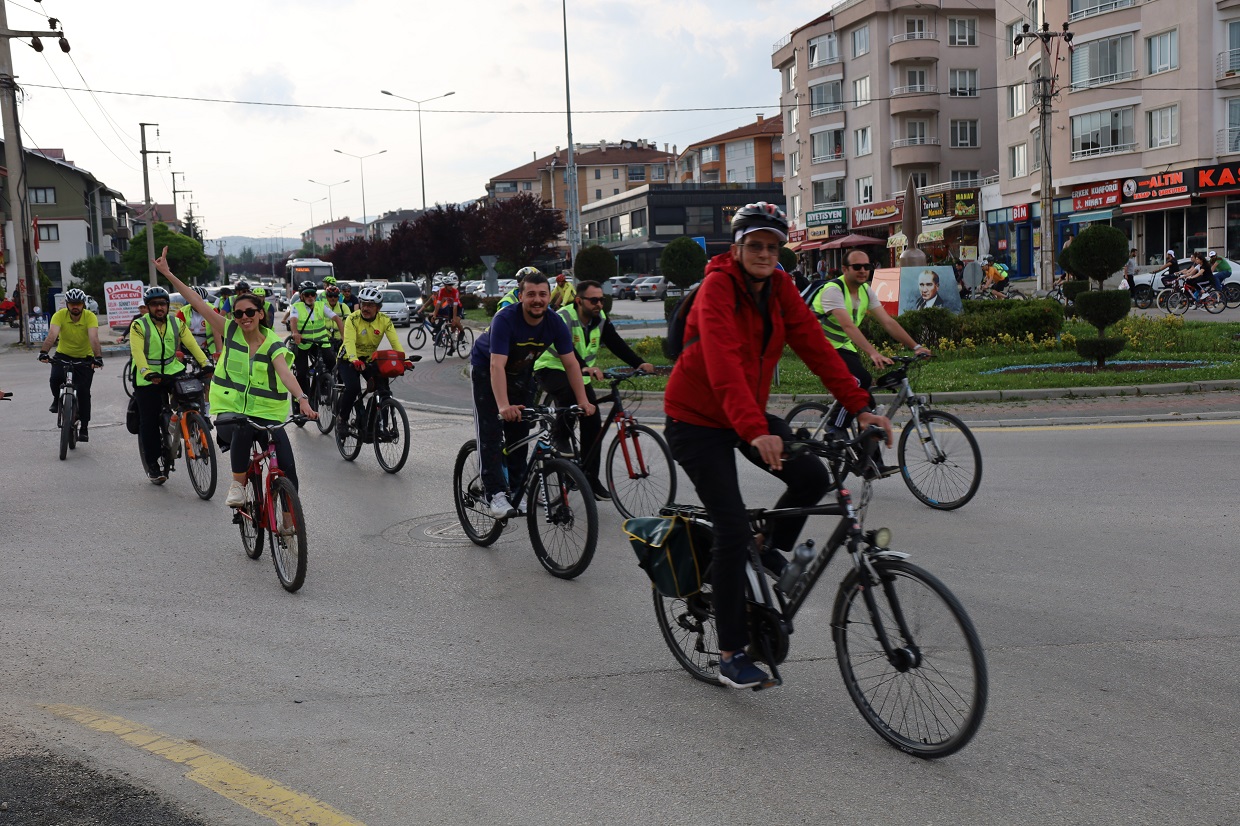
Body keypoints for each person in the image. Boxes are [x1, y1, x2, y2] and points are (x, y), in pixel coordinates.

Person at [665, 202, 892, 690]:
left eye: (773, 245)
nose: (765, 253)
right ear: (738, 247)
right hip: (697, 420)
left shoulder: (782, 287)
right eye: (756, 245)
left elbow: (815, 344)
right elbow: (723, 361)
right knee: (729, 528)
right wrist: (755, 429)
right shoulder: (717, 288)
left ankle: (767, 547)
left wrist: (859, 406)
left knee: (811, 475)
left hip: (744, 411)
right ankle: (730, 653)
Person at [153, 247, 315, 507]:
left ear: (260, 314)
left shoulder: (272, 344)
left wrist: (303, 399)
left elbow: (285, 374)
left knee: (287, 467)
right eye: (238, 314)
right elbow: (196, 301)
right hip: (232, 410)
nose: (244, 318)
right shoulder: (229, 330)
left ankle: (288, 520)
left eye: (250, 312)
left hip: (268, 414)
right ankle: (238, 485)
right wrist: (167, 274)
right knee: (241, 427)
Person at [470, 270, 595, 518]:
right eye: (531, 295)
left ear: (550, 297)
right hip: (487, 369)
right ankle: (494, 493)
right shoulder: (505, 319)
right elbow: (496, 365)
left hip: (522, 373)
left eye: (542, 295)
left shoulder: (553, 322)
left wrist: (583, 401)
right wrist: (503, 406)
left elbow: (571, 363)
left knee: (520, 433)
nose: (537, 300)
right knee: (492, 432)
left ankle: (517, 490)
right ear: (521, 296)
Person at [533, 280, 654, 499]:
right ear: (579, 301)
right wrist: (584, 367)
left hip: (580, 375)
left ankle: (590, 479)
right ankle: (559, 436)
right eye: (594, 300)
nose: (599, 304)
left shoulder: (600, 320)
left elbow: (616, 343)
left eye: (602, 300)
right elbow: (565, 347)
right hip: (551, 368)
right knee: (570, 396)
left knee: (592, 422)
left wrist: (639, 363)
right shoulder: (563, 316)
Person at [812, 247, 930, 468]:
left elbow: (888, 322)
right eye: (857, 267)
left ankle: (871, 463)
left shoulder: (866, 291)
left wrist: (916, 346)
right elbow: (847, 326)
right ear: (845, 269)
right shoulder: (833, 290)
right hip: (820, 346)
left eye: (866, 266)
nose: (863, 270)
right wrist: (872, 352)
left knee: (870, 403)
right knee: (858, 382)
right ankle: (834, 427)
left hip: (844, 346)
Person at [129, 285, 213, 483]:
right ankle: (153, 464)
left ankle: (191, 424)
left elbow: (192, 344)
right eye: (154, 304)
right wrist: (147, 372)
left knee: (192, 394)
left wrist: (206, 364)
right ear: (148, 307)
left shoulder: (176, 323)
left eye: (163, 304)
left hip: (172, 370)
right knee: (149, 421)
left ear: (168, 306)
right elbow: (138, 353)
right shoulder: (139, 326)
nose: (159, 308)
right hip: (147, 376)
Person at [336, 286, 408, 439]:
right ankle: (342, 419)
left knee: (384, 391)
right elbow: (349, 341)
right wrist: (353, 359)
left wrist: (404, 360)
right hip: (348, 358)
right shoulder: (353, 319)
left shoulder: (385, 321)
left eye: (370, 305)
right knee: (353, 388)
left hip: (368, 359)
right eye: (363, 304)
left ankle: (382, 427)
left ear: (378, 308)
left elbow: (395, 343)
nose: (365, 308)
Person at [38, 288, 103, 442]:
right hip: (63, 355)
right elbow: (52, 335)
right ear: (67, 304)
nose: (75, 307)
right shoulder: (59, 315)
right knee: (54, 379)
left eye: (78, 304)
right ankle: (56, 399)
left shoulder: (90, 316)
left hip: (84, 358)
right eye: (72, 303)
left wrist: (98, 357)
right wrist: (43, 352)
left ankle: (85, 428)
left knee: (84, 392)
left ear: (83, 304)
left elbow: (94, 338)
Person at [283, 281, 344, 400]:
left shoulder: (321, 305)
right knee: (301, 373)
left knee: (331, 362)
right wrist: (295, 332)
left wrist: (343, 336)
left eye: (313, 294)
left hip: (321, 342)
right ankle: (303, 399)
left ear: (316, 296)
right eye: (307, 295)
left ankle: (325, 382)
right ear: (301, 296)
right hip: (303, 343)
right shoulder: (296, 307)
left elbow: (336, 318)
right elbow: (293, 319)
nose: (310, 297)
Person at [428, 273, 465, 339]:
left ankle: (462, 331)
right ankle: (452, 344)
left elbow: (455, 307)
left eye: (452, 285)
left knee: (455, 321)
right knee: (451, 327)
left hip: (458, 307)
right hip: (450, 307)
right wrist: (434, 315)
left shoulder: (455, 292)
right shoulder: (441, 291)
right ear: (445, 285)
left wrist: (453, 319)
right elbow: (438, 304)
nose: (451, 286)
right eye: (449, 285)